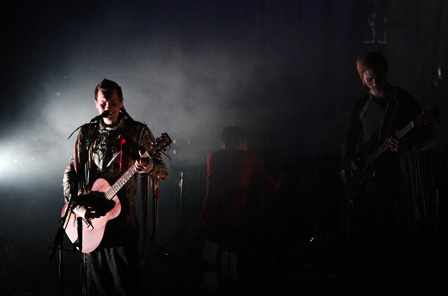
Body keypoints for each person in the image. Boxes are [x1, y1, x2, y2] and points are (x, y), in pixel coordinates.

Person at [62, 78, 168, 295]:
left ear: (121, 102)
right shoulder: (86, 134)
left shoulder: (138, 131)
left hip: (123, 225)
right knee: (96, 287)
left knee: (125, 285)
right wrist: (76, 206)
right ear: (95, 103)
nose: (107, 107)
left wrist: (147, 166)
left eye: (112, 102)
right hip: (90, 222)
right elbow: (70, 172)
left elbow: (162, 171)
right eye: (102, 103)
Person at [341, 52, 436, 264]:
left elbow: (430, 137)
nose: (375, 83)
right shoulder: (361, 104)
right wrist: (349, 159)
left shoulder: (402, 100)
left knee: (393, 236)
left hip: (396, 179)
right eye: (369, 79)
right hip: (367, 182)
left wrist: (408, 146)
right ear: (362, 78)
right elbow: (350, 136)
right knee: (367, 237)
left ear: (386, 74)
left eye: (379, 78)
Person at [199, 125, 284, 290]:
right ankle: (229, 288)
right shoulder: (250, 157)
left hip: (210, 218)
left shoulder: (212, 157)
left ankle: (209, 287)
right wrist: (281, 176)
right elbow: (270, 187)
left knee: (209, 260)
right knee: (231, 262)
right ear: (242, 141)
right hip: (234, 220)